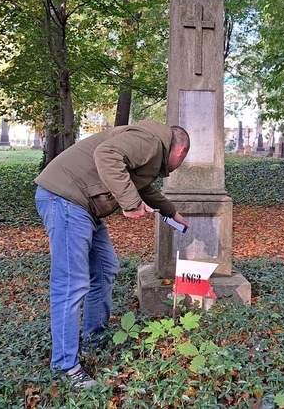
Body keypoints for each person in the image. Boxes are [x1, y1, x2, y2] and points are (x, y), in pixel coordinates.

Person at [34, 120, 190, 388]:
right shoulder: (151, 141)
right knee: (71, 284)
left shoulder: (151, 148)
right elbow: (106, 155)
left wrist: (171, 212)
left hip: (82, 205)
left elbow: (141, 187)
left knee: (106, 269)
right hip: (65, 200)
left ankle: (95, 338)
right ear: (181, 150)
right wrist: (130, 204)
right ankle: (65, 365)